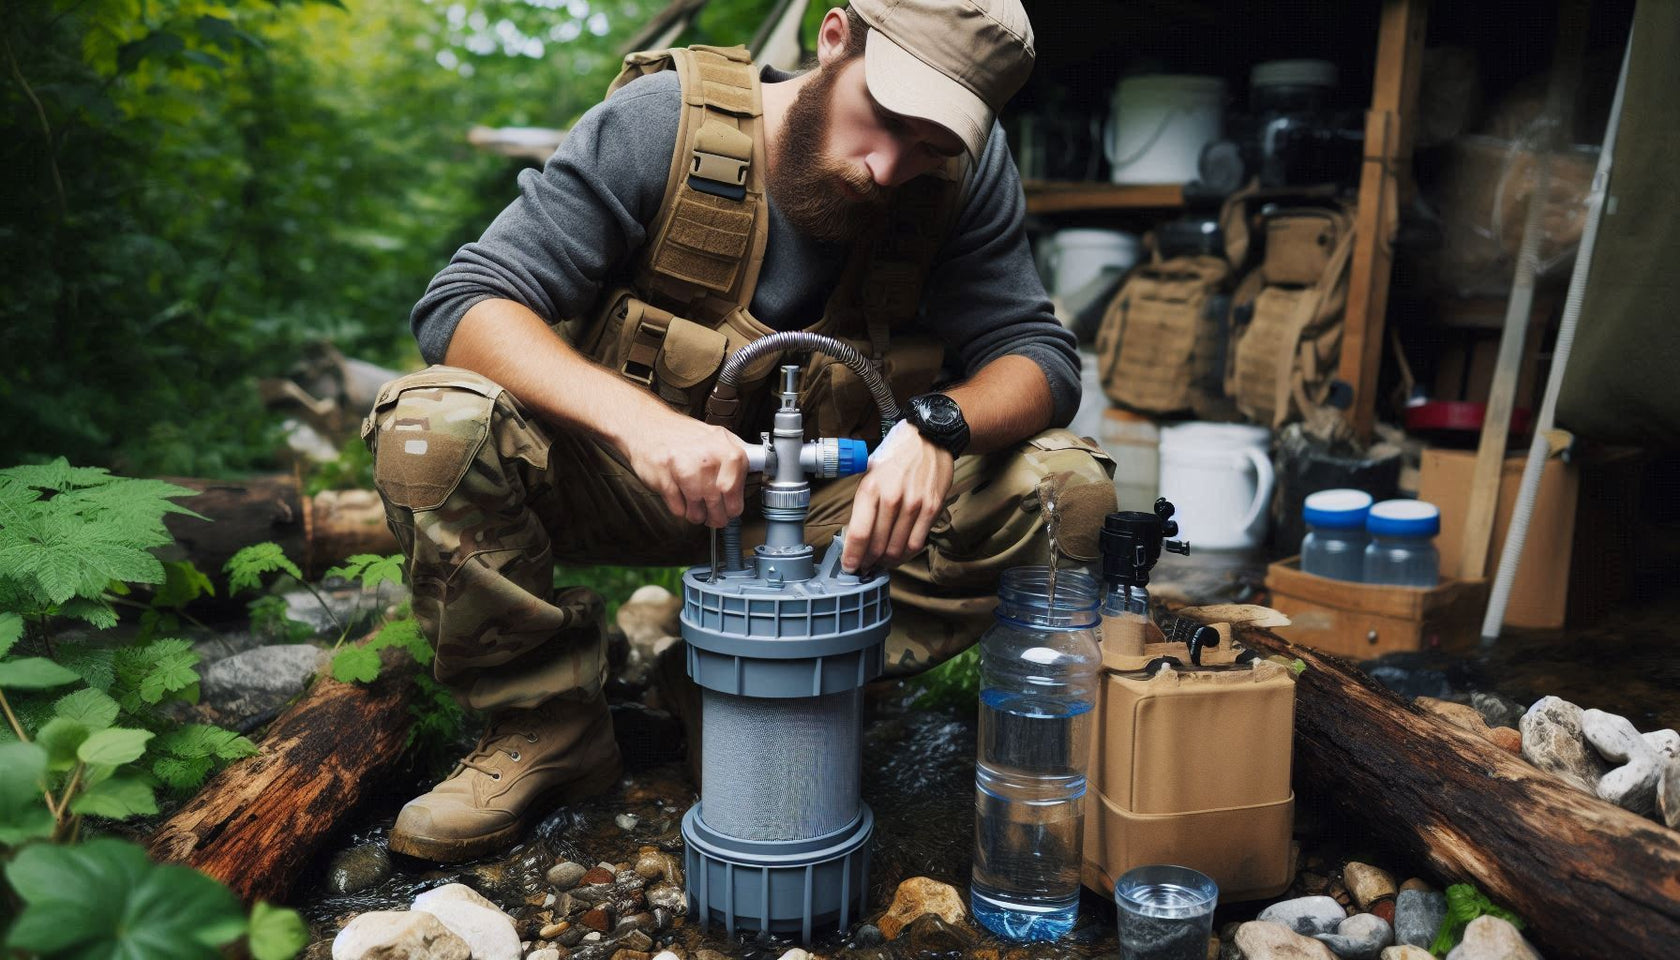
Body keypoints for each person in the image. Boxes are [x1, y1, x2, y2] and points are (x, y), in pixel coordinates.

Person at [364, 0, 1117, 862]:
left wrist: (939, 426)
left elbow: (1041, 359)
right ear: (833, 39)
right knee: (429, 422)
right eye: (886, 119)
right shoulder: (662, 124)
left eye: (933, 146)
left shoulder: (965, 177)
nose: (890, 166)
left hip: (833, 522)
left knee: (1068, 487)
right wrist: (638, 424)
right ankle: (548, 721)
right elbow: (464, 304)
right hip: (626, 483)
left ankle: (771, 682)